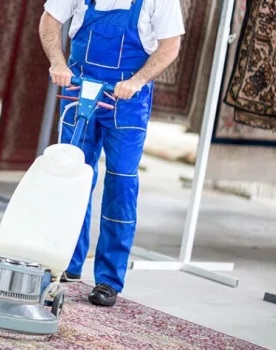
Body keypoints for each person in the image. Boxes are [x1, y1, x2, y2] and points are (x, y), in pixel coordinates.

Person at [39, 0, 185, 307]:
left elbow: (170, 45)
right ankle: (65, 262)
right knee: (71, 175)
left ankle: (108, 279)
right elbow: (50, 20)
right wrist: (58, 63)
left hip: (128, 100)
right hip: (79, 90)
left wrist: (138, 81)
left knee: (120, 183)